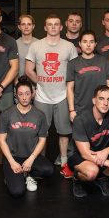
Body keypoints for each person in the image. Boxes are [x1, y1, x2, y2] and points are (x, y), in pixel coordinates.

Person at [26, 14, 78, 178]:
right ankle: (40, 164)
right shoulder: (36, 46)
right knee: (41, 133)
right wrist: (39, 83)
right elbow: (28, 69)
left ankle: (64, 164)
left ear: (61, 27)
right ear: (45, 27)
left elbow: (75, 69)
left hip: (62, 96)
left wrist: (68, 87)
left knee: (64, 133)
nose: (53, 27)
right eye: (50, 24)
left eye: (56, 24)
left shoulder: (69, 46)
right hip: (42, 96)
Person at [69, 85, 109, 198]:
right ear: (94, 100)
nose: (105, 103)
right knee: (92, 172)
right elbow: (85, 153)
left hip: (101, 152)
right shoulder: (81, 119)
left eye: (108, 99)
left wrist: (107, 151)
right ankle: (77, 179)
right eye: (101, 98)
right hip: (80, 156)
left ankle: (102, 178)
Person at [0, 77, 54, 197]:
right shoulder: (6, 114)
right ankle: (12, 177)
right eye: (21, 94)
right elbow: (2, 140)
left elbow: (42, 139)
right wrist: (12, 162)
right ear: (16, 95)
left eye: (27, 94)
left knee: (48, 170)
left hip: (31, 157)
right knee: (17, 192)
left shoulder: (40, 115)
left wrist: (31, 159)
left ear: (32, 94)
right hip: (13, 157)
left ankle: (30, 176)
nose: (24, 97)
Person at [67, 30, 109, 121]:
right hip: (80, 109)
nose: (88, 45)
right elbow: (70, 88)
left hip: (101, 107)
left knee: (101, 135)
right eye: (85, 42)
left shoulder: (103, 61)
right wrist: (71, 110)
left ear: (95, 44)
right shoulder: (73, 63)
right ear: (80, 44)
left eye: (91, 42)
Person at [16, 14, 38, 79]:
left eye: (29, 24)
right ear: (19, 27)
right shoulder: (14, 44)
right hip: (19, 85)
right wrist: (17, 85)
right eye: (23, 24)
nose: (26, 27)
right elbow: (11, 68)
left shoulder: (39, 44)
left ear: (33, 26)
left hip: (36, 85)